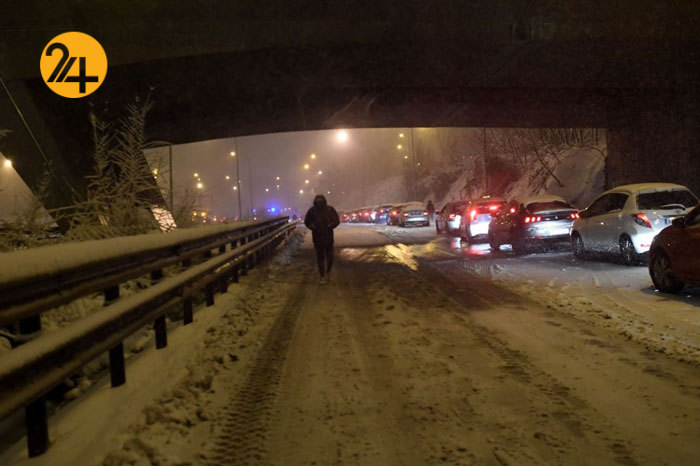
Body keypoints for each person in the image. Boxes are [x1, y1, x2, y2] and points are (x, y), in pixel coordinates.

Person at [304, 194, 340, 284]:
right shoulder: (329, 209)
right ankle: (326, 273)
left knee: (321, 257)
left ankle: (322, 276)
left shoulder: (313, 210)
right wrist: (330, 226)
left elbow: (307, 222)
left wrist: (313, 227)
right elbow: (336, 220)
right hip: (326, 236)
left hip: (318, 236)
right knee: (329, 256)